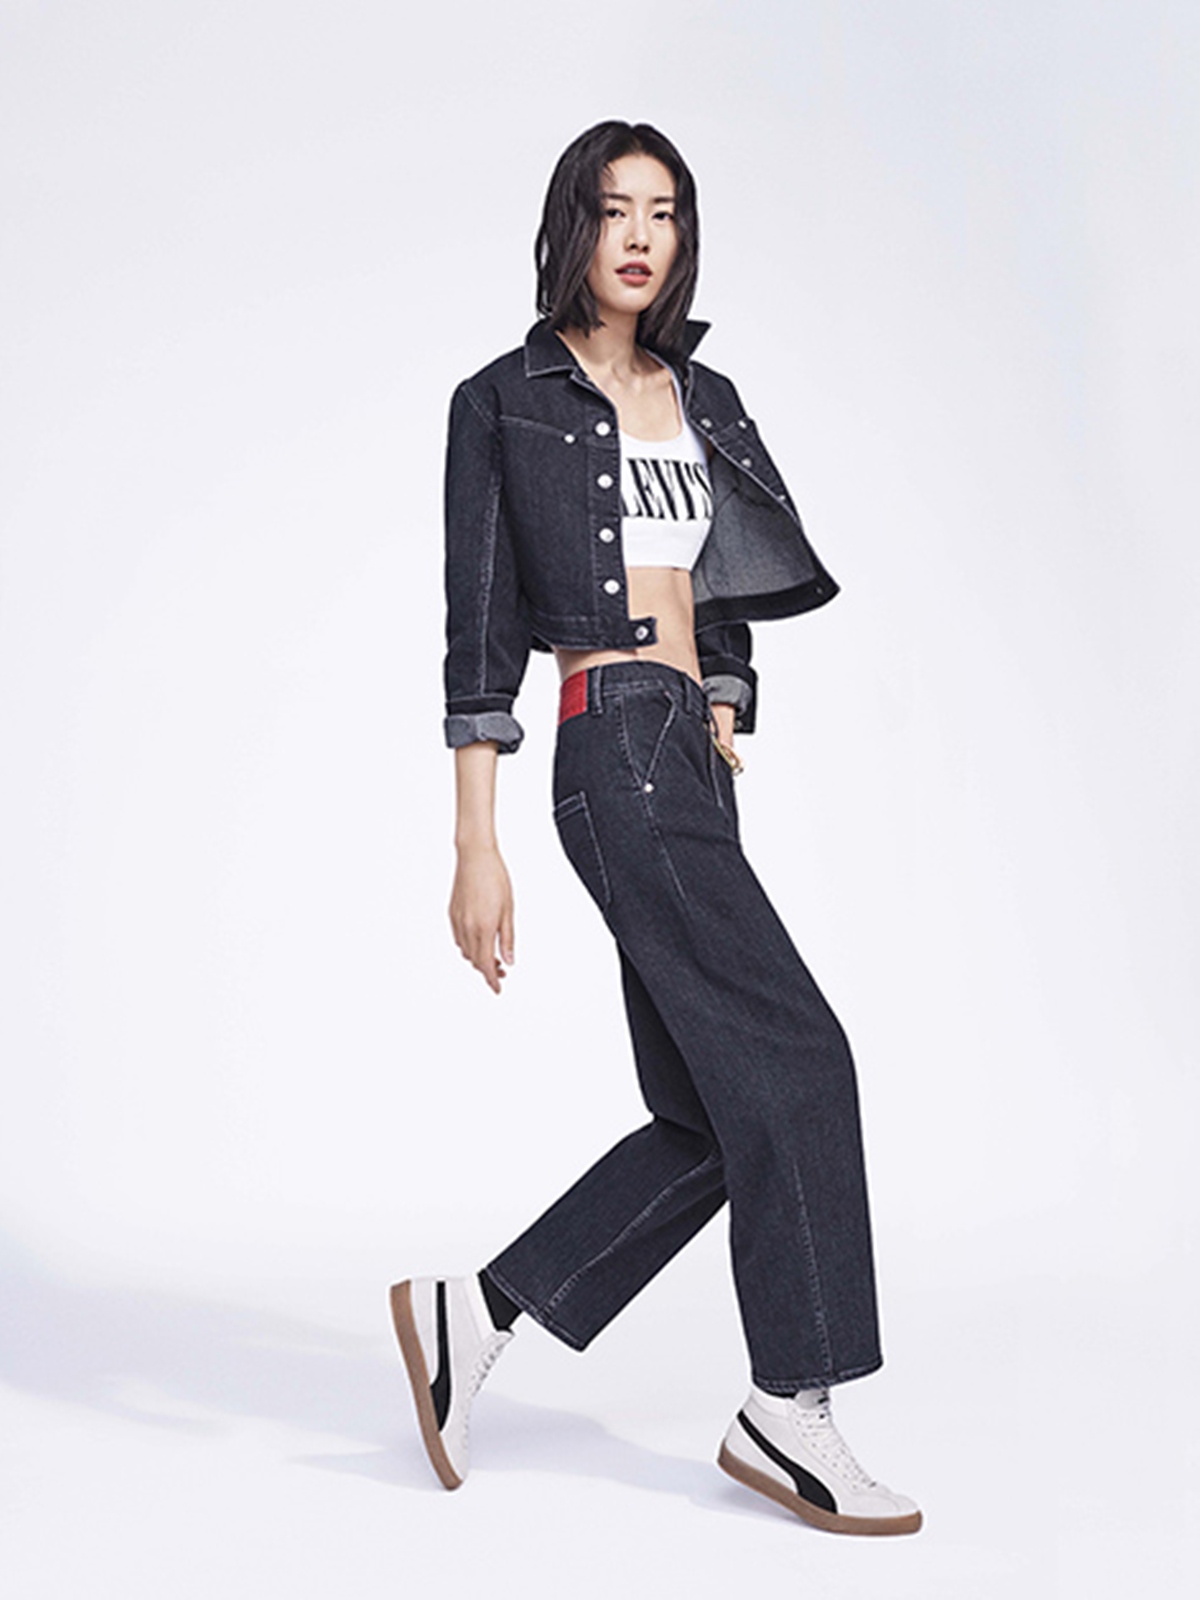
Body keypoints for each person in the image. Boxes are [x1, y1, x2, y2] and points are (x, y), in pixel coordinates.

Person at [391, 120, 922, 1537]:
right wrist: (476, 841)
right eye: (615, 209)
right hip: (611, 743)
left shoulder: (706, 394)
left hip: (688, 756)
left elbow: (721, 580)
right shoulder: (501, 402)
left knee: (710, 1109)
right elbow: (478, 630)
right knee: (801, 1059)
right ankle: (790, 1406)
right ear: (573, 226)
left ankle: (478, 1310)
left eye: (665, 212)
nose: (640, 236)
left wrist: (725, 704)